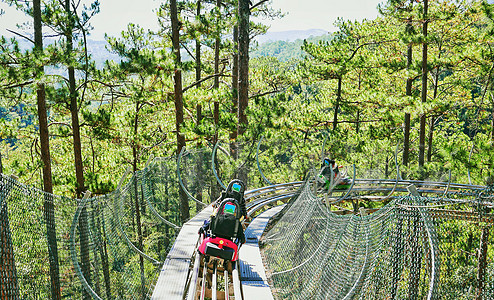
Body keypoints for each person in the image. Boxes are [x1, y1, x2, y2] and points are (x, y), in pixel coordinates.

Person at [199, 179, 247, 244]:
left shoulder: (225, 195)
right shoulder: (241, 201)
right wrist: (244, 215)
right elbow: (243, 209)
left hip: (220, 217)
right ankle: (240, 240)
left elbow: (218, 201)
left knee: (212, 218)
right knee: (237, 224)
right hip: (233, 221)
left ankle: (203, 229)